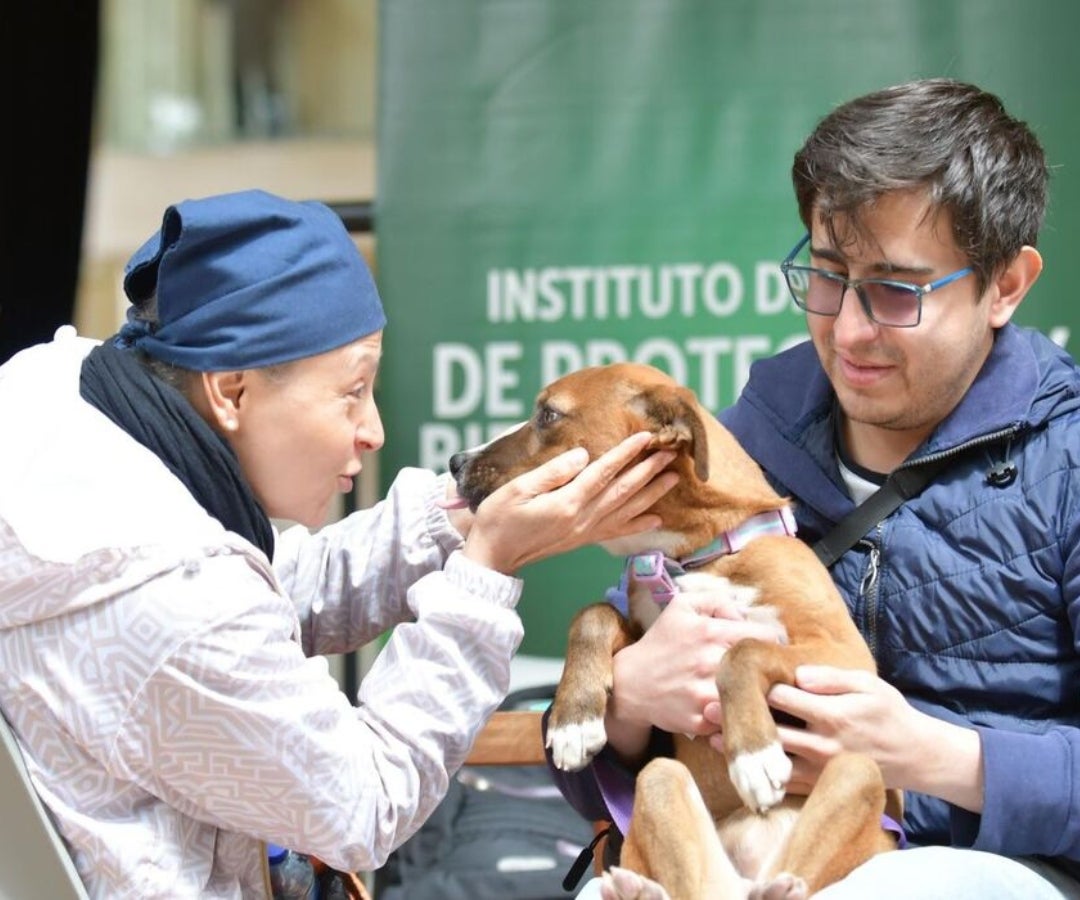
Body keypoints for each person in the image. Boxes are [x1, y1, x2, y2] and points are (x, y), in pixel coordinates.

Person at [0, 189, 680, 898]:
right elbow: (364, 802)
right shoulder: (166, 598)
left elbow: (262, 592)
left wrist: (457, 516)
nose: (373, 430)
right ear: (231, 391)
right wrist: (486, 572)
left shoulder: (73, 434)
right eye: (352, 392)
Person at [556, 78, 1080, 900]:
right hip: (730, 851)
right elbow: (596, 773)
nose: (851, 328)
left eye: (897, 290)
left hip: (987, 864)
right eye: (829, 275)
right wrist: (628, 704)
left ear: (1007, 285)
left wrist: (938, 757)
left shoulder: (1069, 462)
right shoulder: (748, 437)